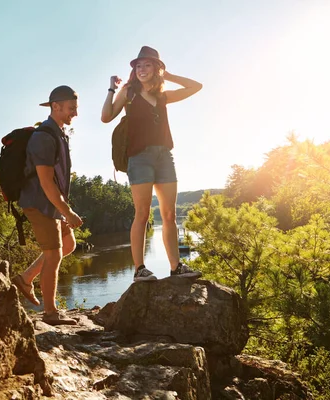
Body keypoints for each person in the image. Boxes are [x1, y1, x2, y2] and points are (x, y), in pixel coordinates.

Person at [101, 46, 203, 282]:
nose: (142, 69)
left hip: (164, 156)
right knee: (143, 214)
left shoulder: (163, 96)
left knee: (168, 214)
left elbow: (196, 87)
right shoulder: (128, 93)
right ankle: (139, 269)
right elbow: (106, 117)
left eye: (147, 65)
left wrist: (169, 76)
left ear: (157, 68)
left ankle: (176, 267)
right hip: (139, 158)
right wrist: (111, 89)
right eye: (138, 66)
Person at [11, 85, 83, 325]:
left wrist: (63, 207)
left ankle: (25, 278)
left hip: (50, 202)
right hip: (39, 203)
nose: (75, 113)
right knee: (53, 255)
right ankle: (51, 314)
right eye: (71, 108)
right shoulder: (43, 136)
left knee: (68, 244)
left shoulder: (59, 133)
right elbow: (44, 181)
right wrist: (67, 211)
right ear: (56, 106)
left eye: (76, 108)